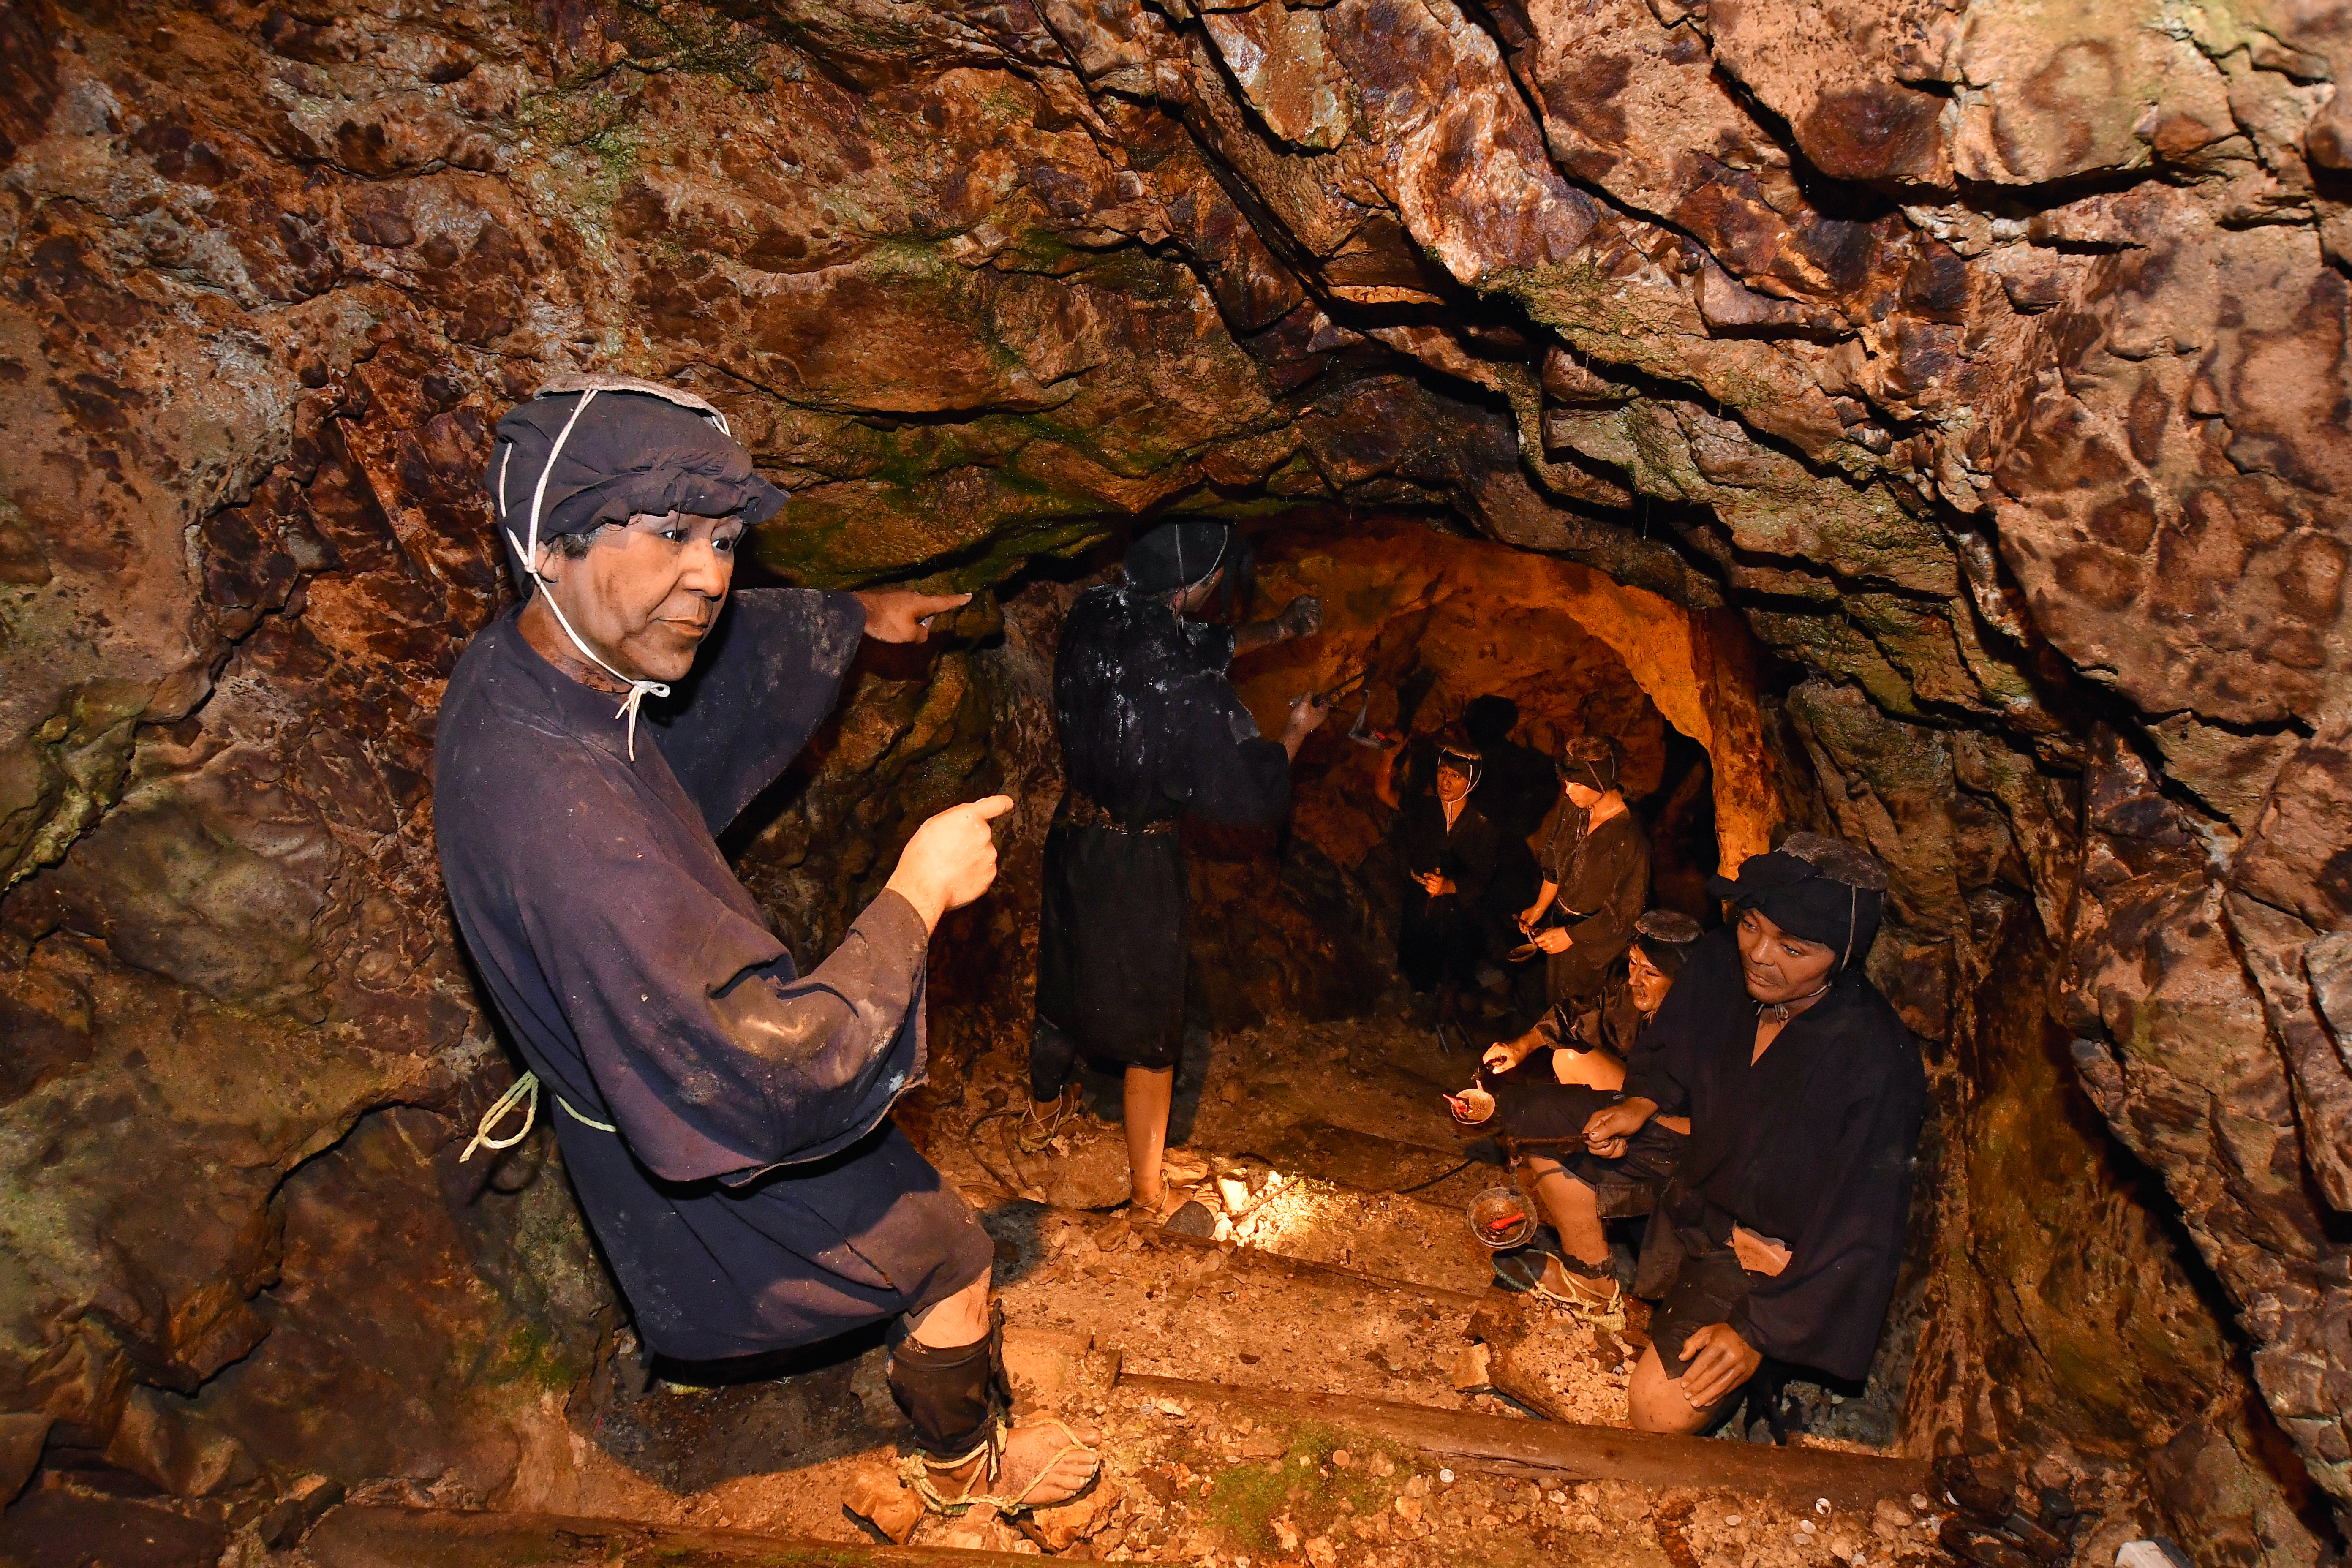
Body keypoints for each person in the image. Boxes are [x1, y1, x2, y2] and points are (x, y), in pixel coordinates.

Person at [434, 376, 1097, 1522]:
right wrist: (916, 893)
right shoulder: (557, 811)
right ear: (548, 544)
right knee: (953, 1252)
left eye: (727, 539)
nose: (709, 578)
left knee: (907, 1197)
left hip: (668, 1077)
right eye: (672, 534)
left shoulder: (538, 676)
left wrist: (851, 614)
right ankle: (959, 1469)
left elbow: (699, 671)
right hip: (691, 1128)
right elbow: (772, 1066)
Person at [1030, 521, 1328, 1218]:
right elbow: (1242, 791)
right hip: (1136, 859)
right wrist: (1293, 734)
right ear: (1194, 585)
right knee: (1153, 1027)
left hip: (1073, 837)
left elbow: (1190, 641)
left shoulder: (1094, 611)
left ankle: (1042, 1109)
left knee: (1065, 978)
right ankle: (1145, 1192)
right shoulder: (1186, 681)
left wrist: (1277, 631)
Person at [1583, 832, 1926, 1435]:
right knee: (1540, 1130)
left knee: (1657, 1409)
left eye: (1794, 948)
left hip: (1763, 1248)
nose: (1761, 955)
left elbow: (1861, 1227)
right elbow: (1672, 1047)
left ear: (1843, 954)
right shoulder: (1722, 965)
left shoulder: (1874, 1060)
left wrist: (1760, 1330)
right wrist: (1644, 1099)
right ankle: (1596, 1282)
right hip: (1698, 1180)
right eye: (1751, 927)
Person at [1461, 909, 1704, 1302]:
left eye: (1651, 973)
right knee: (1565, 1060)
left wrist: (1635, 1122)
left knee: (1539, 1127)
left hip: (1684, 1140)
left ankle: (1592, 1277)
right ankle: (1588, 1217)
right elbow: (1574, 1015)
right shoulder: (1634, 996)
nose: (1634, 980)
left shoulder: (1706, 1024)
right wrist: (1520, 1047)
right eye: (1632, 965)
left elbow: (1711, 1116)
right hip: (1643, 1105)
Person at [1503, 735, 1649, 1049]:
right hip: (1561, 932)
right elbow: (1555, 859)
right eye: (1567, 782)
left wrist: (1570, 936)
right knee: (1556, 1003)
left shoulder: (1629, 837)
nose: (1568, 790)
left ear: (1601, 781)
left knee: (1585, 1017)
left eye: (1577, 784)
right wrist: (1541, 907)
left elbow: (1624, 912)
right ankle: (1559, 1068)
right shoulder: (1574, 810)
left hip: (1597, 947)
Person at [1393, 730, 1512, 1050]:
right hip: (1421, 899)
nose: (1446, 781)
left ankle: (1448, 1012)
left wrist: (1450, 887)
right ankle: (1422, 1009)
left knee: (1455, 959)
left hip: (1460, 907)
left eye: (1456, 776)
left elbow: (1485, 873)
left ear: (1471, 782)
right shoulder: (1425, 809)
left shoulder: (1483, 824)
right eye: (1442, 772)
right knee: (1419, 955)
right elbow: (1383, 791)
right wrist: (1387, 757)